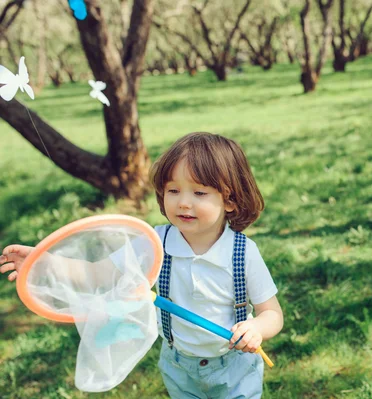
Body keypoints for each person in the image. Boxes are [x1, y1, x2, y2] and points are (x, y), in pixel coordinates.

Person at [0, 132, 284, 398]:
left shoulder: (242, 253)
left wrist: (257, 328)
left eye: (199, 193)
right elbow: (97, 275)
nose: (183, 202)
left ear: (231, 200)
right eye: (173, 190)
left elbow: (271, 313)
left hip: (235, 367)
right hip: (179, 366)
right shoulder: (154, 242)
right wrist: (45, 262)